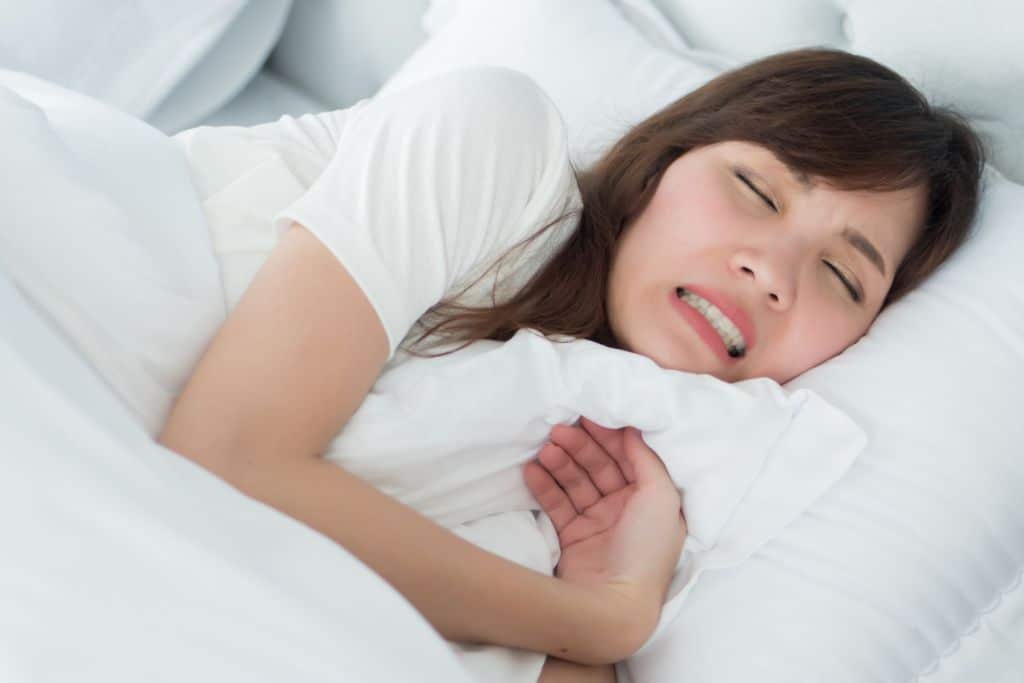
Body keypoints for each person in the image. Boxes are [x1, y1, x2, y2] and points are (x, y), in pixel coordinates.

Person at [159, 48, 983, 681]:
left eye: (843, 275)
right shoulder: (496, 143)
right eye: (758, 190)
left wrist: (599, 611)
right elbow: (223, 455)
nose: (772, 272)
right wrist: (603, 620)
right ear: (661, 166)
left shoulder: (623, 484)